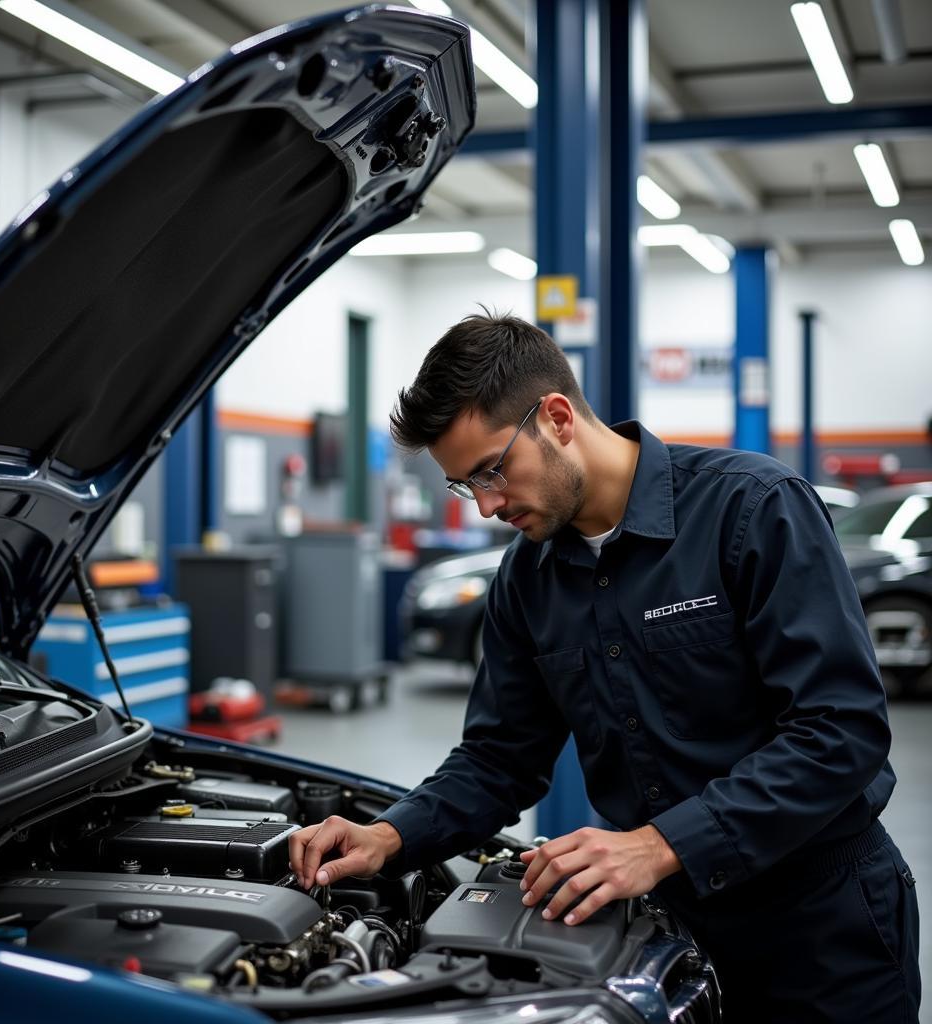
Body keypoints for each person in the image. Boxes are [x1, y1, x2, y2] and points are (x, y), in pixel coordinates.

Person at [289, 312, 920, 1022]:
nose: (489, 505)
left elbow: (840, 733)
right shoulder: (526, 580)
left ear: (557, 416)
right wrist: (391, 834)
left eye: (494, 469)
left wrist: (659, 844)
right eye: (467, 486)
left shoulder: (752, 508)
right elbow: (500, 757)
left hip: (819, 927)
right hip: (660, 932)